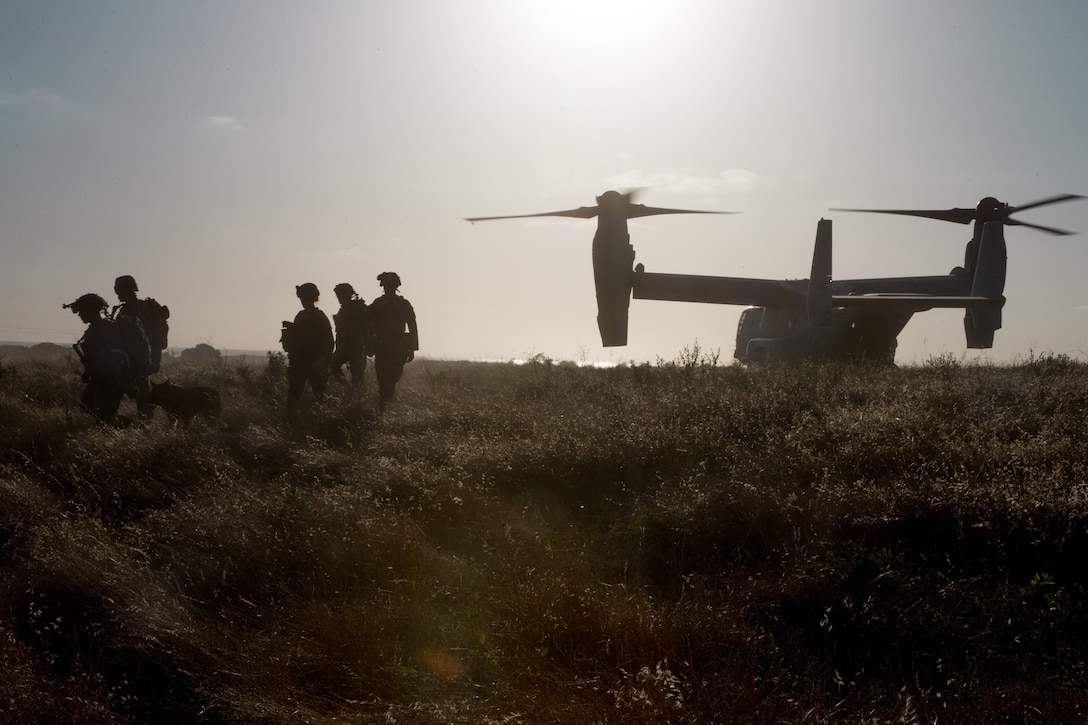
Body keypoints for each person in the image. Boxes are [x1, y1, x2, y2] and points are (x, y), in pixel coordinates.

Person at [64, 293, 132, 424]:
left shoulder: (107, 328)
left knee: (105, 414)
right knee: (88, 404)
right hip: (100, 377)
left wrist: (94, 370)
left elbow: (113, 355)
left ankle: (129, 429)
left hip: (113, 378)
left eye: (82, 312)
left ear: (91, 311)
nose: (79, 315)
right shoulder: (93, 329)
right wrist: (89, 372)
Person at [281, 282, 334, 425]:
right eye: (302, 299)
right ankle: (290, 423)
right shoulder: (301, 316)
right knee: (294, 395)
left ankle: (323, 423)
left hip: (315, 362)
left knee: (319, 396)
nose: (304, 302)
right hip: (299, 362)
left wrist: (321, 362)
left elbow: (329, 342)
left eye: (306, 298)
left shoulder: (320, 317)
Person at [367, 272, 418, 411]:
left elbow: (412, 326)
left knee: (390, 377)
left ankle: (384, 405)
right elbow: (366, 319)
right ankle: (384, 405)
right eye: (386, 285)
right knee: (381, 377)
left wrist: (412, 348)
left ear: (396, 286)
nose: (388, 288)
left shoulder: (403, 304)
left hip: (397, 346)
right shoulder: (378, 303)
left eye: (390, 285)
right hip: (381, 346)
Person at [111, 275, 158, 419]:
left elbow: (144, 333)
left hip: (138, 356)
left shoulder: (137, 307)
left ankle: (144, 424)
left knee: (141, 392)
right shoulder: (128, 307)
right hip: (133, 356)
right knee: (137, 390)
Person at [330, 282, 369, 390]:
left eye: (340, 295)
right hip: (344, 347)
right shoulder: (344, 309)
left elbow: (367, 326)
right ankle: (349, 390)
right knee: (333, 367)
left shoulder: (358, 307)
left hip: (356, 346)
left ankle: (358, 399)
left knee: (358, 378)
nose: (339, 298)